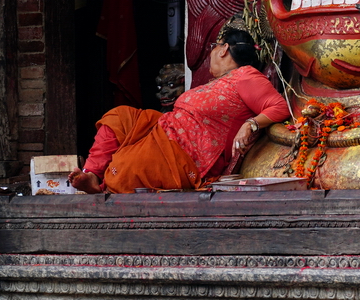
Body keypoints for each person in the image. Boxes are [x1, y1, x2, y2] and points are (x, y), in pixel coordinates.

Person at [69, 28, 290, 193]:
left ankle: (103, 186)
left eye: (214, 46)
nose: (211, 53)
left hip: (182, 152)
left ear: (223, 49)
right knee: (119, 118)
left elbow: (280, 106)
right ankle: (92, 174)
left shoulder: (246, 75)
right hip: (162, 129)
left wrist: (250, 124)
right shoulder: (218, 81)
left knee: (126, 167)